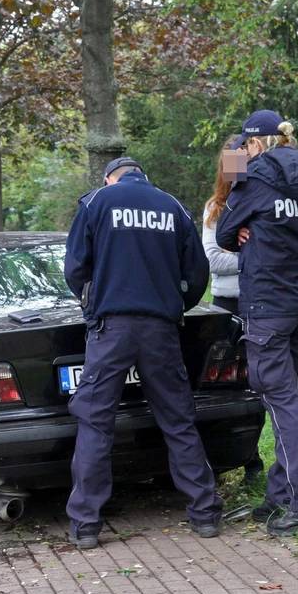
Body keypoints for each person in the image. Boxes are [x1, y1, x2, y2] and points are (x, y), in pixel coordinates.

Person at [64, 157, 223, 549]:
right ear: (144, 177)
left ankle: (85, 525)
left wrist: (93, 302)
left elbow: (74, 268)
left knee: (96, 422)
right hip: (161, 329)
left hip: (110, 329)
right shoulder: (171, 206)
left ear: (109, 178)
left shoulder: (96, 202)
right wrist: (175, 304)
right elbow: (198, 272)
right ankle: (205, 513)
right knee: (178, 419)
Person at [215, 110, 298, 536]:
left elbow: (224, 231)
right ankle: (280, 496)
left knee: (282, 406)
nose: (240, 153)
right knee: (294, 402)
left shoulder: (256, 176)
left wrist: (247, 224)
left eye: (244, 145)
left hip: (268, 306)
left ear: (255, 143)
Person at [202, 135, 264, 483]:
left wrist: (247, 251)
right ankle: (245, 457)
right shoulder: (215, 208)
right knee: (232, 384)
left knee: (261, 381)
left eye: (244, 157)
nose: (238, 165)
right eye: (233, 159)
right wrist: (249, 254)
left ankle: (257, 458)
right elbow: (212, 258)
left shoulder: (262, 201)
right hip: (227, 304)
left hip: (261, 300)